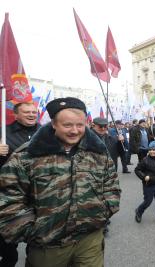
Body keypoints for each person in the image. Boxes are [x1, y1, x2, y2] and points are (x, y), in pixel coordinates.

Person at [0, 97, 120, 267]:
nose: (75, 131)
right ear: (54, 124)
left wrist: (103, 212)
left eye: (80, 125)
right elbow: (8, 199)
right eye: (67, 125)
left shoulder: (98, 152)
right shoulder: (26, 156)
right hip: (47, 246)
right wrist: (33, 231)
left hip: (90, 240)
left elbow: (111, 185)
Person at [0, 102, 40, 267]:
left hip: (39, 192)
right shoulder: (3, 132)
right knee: (7, 238)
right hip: (11, 193)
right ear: (15, 115)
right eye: (27, 112)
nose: (32, 115)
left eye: (33, 112)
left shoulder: (48, 132)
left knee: (39, 236)